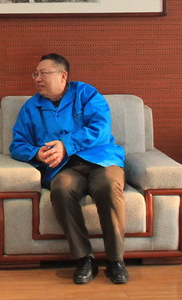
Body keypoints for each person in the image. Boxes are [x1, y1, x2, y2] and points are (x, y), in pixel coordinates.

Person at [9, 54, 129, 285]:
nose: (37, 79)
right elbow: (17, 144)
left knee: (107, 186)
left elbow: (100, 128)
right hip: (65, 168)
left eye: (43, 73)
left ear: (62, 76)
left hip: (101, 160)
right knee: (61, 189)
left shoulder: (86, 94)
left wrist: (66, 145)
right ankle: (85, 259)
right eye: (35, 74)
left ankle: (116, 260)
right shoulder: (31, 107)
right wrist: (36, 153)